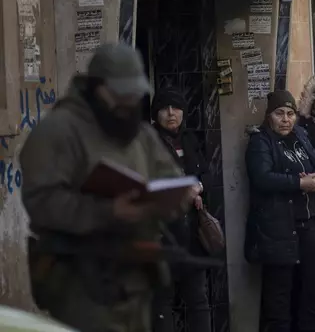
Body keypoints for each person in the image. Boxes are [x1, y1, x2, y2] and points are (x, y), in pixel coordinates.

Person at [19, 43, 196, 332]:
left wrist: (176, 197)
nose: (128, 102)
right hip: (82, 281)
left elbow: (170, 176)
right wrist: (107, 211)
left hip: (137, 279)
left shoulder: (140, 133)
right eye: (120, 94)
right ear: (97, 87)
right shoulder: (59, 131)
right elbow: (41, 200)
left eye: (133, 94)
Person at [244, 90, 315, 332]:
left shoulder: (300, 135)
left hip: (307, 223)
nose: (285, 119)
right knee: (279, 296)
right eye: (279, 113)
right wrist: (298, 183)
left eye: (290, 114)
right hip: (278, 227)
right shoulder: (260, 141)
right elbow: (262, 177)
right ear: (269, 116)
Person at [150, 89, 211, 332]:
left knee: (198, 299)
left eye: (176, 108)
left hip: (192, 235)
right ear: (156, 114)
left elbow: (206, 173)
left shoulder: (189, 139)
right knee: (162, 301)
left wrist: (199, 187)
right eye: (165, 108)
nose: (171, 113)